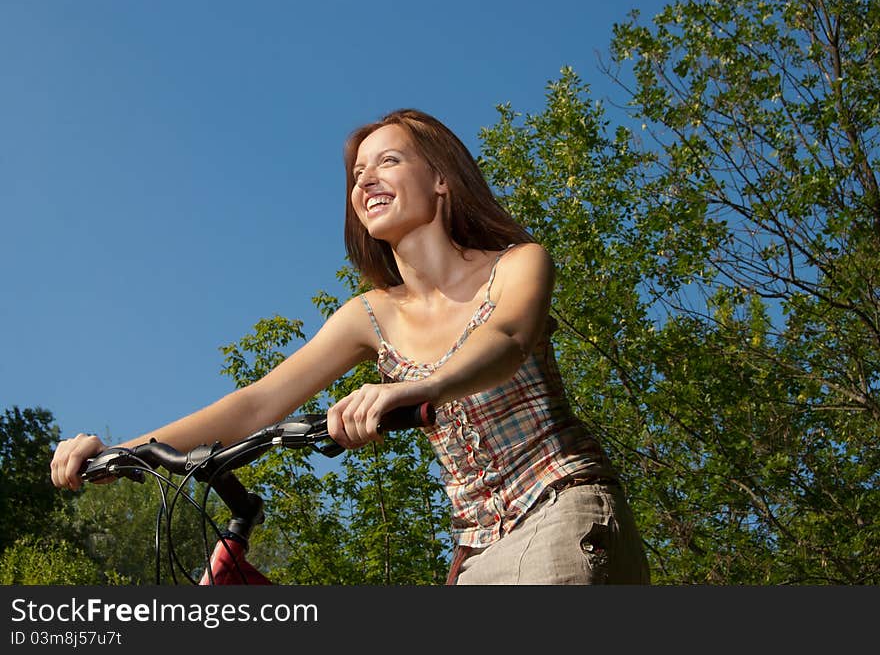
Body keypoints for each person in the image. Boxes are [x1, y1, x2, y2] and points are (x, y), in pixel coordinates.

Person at [51, 108, 650, 585]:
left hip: (558, 509)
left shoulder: (517, 265)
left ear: (442, 180)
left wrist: (419, 387)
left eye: (388, 161)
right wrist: (124, 454)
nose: (366, 180)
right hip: (474, 550)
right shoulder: (371, 314)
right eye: (358, 173)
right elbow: (257, 404)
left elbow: (510, 337)